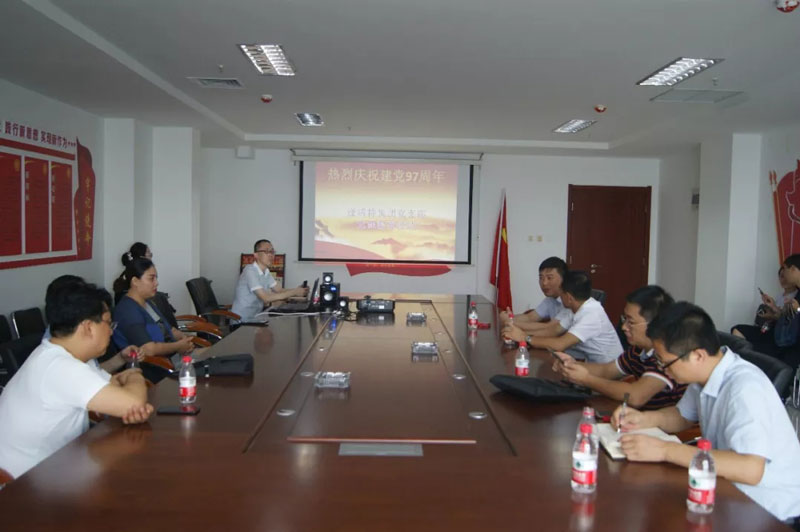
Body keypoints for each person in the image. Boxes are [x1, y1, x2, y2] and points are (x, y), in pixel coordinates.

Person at [613, 302, 800, 523]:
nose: (664, 370)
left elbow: (750, 468)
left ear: (698, 356)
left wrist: (664, 450)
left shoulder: (745, 388)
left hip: (768, 512)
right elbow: (682, 416)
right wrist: (643, 419)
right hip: (726, 489)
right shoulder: (704, 374)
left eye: (666, 363)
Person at [0, 281, 153, 480]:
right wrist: (134, 374)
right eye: (108, 323)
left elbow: (115, 387)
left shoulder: (60, 355)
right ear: (88, 327)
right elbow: (133, 402)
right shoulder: (60, 367)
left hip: (58, 467)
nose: (111, 331)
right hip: (26, 487)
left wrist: (128, 398)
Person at [552, 285, 686, 409]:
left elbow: (636, 396)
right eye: (624, 319)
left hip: (665, 425)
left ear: (654, 325)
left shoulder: (666, 356)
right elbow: (606, 371)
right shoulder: (637, 350)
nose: (624, 327)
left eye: (630, 322)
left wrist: (586, 379)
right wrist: (571, 364)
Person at [503, 270, 622, 363]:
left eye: (561, 294)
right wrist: (516, 331)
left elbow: (560, 344)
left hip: (610, 372)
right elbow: (553, 331)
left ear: (569, 297)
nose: (559, 297)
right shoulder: (577, 306)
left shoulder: (591, 314)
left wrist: (525, 337)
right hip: (591, 365)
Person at [43, 275, 146, 372]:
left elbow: (94, 371)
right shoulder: (59, 350)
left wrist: (121, 358)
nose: (110, 331)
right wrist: (134, 378)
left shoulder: (73, 339)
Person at [112, 258, 195, 374]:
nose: (156, 283)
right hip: (155, 368)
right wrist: (178, 346)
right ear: (135, 281)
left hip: (174, 358)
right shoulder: (127, 311)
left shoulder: (147, 302)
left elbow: (169, 330)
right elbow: (148, 349)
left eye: (156, 278)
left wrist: (184, 339)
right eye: (151, 278)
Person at [231, 239, 308, 321]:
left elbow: (279, 290)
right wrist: (294, 292)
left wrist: (298, 290)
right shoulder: (250, 271)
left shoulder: (266, 271)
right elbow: (265, 298)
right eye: (267, 251)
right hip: (241, 321)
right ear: (256, 255)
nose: (271, 255)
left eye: (272, 251)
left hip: (256, 318)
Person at [731, 265, 799, 356]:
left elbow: (790, 319)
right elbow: (784, 317)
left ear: (794, 270)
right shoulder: (780, 296)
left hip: (784, 339)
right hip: (775, 332)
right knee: (737, 330)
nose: (784, 279)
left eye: (786, 274)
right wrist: (772, 312)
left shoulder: (795, 296)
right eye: (781, 276)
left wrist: (797, 309)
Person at [499, 256, 572, 338]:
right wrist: (510, 318)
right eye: (541, 278)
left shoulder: (570, 301)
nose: (544, 283)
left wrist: (510, 322)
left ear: (563, 279)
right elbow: (530, 317)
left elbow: (551, 328)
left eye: (549, 278)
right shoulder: (550, 300)